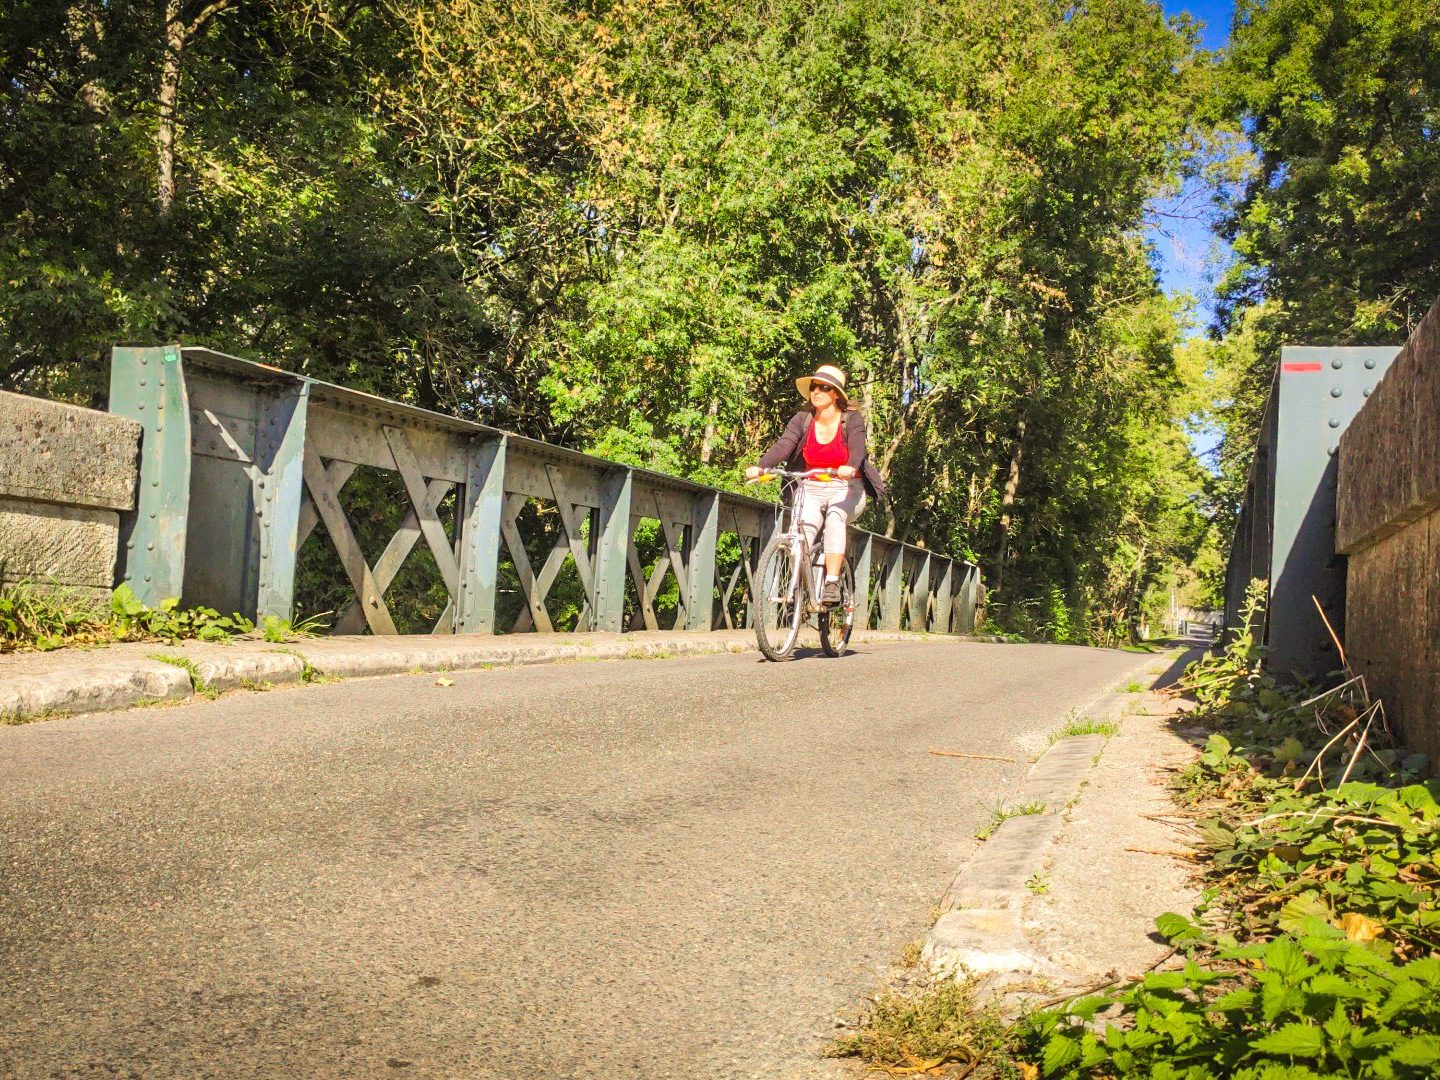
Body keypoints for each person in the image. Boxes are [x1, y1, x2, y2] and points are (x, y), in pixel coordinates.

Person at [745, 364, 886, 606]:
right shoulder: (802, 420)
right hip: (810, 486)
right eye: (813, 387)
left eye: (824, 387)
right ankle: (797, 587)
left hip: (847, 488)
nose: (817, 391)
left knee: (835, 516)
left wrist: (850, 466)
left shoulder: (850, 420)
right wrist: (761, 466)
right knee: (802, 531)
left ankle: (831, 582)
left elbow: (858, 448)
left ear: (836, 394)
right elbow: (784, 445)